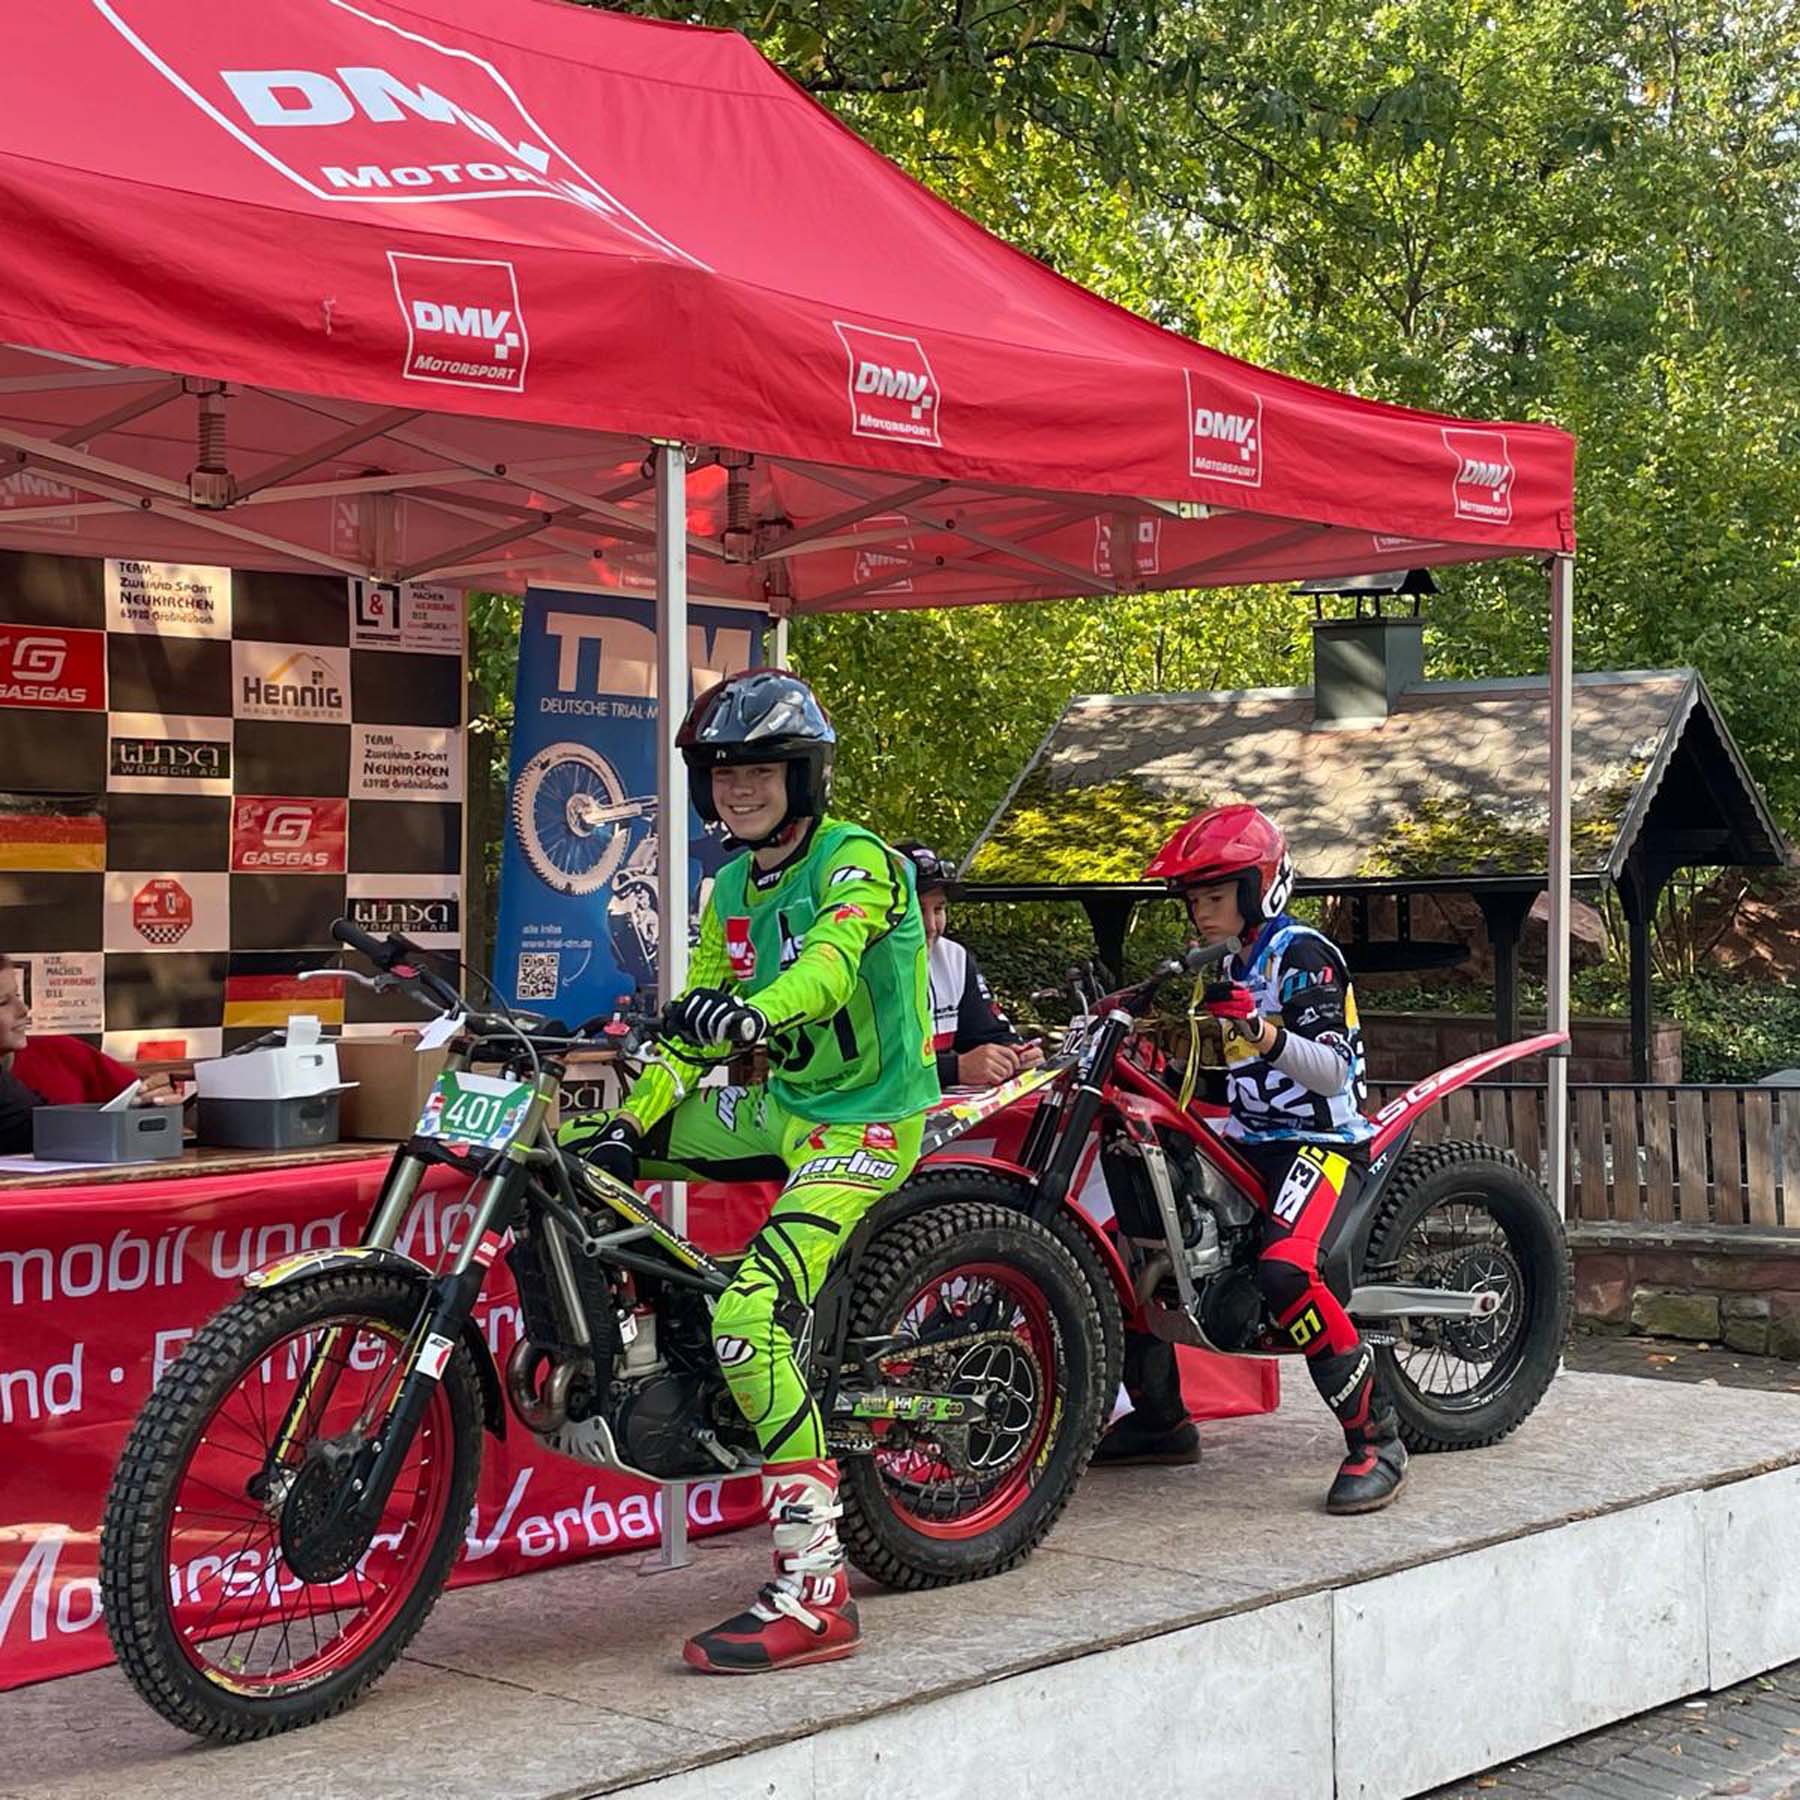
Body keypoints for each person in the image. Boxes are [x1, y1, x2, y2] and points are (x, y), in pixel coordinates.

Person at [558, 669, 938, 1674]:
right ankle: (652, 1342)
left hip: (867, 1123)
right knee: (569, 1157)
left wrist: (757, 1013)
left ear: (804, 776)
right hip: (785, 1108)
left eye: (762, 769)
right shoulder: (729, 888)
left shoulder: (859, 861)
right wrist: (626, 1123)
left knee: (750, 1318)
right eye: (723, 771)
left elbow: (830, 965)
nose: (739, 787)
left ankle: (816, 1593)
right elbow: (694, 1032)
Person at [1093, 804, 1405, 1516]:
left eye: (1214, 896)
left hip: (1321, 1142)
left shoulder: (1303, 955)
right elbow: (1228, 1077)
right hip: (1249, 1139)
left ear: (1256, 887)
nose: (1201, 912)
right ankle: (1162, 1422)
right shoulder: (1227, 966)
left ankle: (1377, 1440)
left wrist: (1261, 1032)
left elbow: (1332, 1070)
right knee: (1128, 1253)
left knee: (1286, 1271)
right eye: (1193, 899)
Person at [896, 842, 1043, 1090]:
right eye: (916, 910)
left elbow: (988, 1033)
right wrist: (955, 1069)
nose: (931, 926)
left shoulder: (953, 957)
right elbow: (861, 1072)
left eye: (939, 909)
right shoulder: (855, 964)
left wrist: (1013, 1055)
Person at [0, 954, 176, 1153]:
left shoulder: (64, 1052)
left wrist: (156, 1103)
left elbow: (141, 1104)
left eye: (18, 995)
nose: (24, 1009)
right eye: (3, 1003)